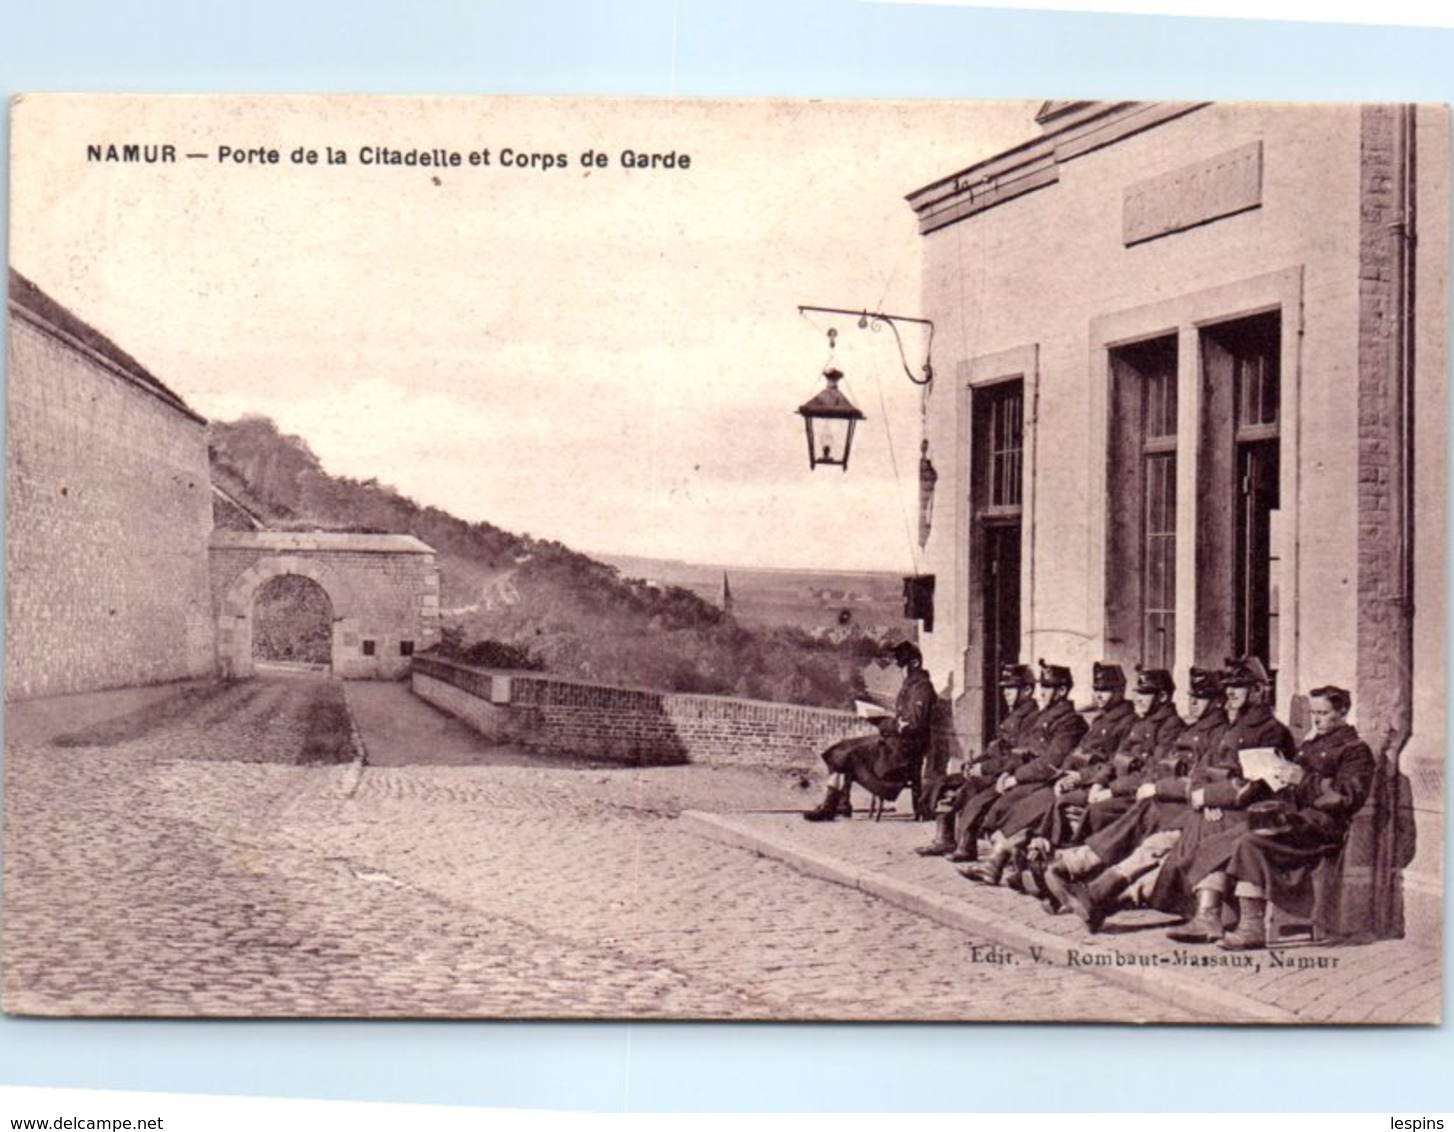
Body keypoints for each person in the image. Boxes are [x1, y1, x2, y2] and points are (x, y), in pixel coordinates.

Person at [1041, 666, 1232, 929]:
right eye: (1192, 697)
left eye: (1202, 698)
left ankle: (1082, 873)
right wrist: (1102, 783)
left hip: (1189, 806)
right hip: (1170, 799)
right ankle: (1082, 875)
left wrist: (1163, 789)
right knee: (1141, 817)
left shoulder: (1213, 732)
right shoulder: (1192, 729)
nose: (1194, 703)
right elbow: (1159, 766)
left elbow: (1201, 779)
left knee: (1145, 824)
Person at [1213, 685, 1376, 950]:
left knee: (1250, 842)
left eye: (1324, 712)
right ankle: (1219, 914)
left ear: (1343, 711)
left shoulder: (1355, 750)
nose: (1317, 719)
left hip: (1320, 827)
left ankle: (1250, 927)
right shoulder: (1313, 743)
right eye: (1314, 712)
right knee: (1227, 834)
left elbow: (1346, 797)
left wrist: (1302, 779)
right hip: (1293, 818)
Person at [955, 659, 1088, 884]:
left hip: (1050, 781)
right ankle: (998, 863)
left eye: (1048, 688)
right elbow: (1024, 752)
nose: (1042, 693)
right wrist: (1009, 773)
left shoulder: (1070, 722)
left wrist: (1016, 777)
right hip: (1032, 778)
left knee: (1015, 804)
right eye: (1042, 687)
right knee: (999, 801)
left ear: (1062, 691)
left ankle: (1000, 865)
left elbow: (1050, 763)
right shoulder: (1044, 717)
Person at [803, 641, 936, 822]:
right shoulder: (912, 686)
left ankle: (831, 805)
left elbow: (912, 726)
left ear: (915, 664)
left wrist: (884, 722)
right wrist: (883, 720)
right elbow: (902, 721)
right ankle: (840, 804)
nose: (900, 671)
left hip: (901, 753)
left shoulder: (922, 688)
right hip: (893, 744)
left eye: (902, 666)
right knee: (842, 748)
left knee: (847, 754)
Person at [914, 662, 1037, 856]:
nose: (1006, 693)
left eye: (1012, 688)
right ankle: (944, 839)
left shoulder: (1032, 718)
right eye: (1004, 688)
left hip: (1006, 774)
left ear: (1028, 690)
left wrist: (984, 769)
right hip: (993, 768)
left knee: (971, 790)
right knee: (944, 783)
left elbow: (1016, 758)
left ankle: (967, 844)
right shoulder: (1013, 715)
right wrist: (974, 763)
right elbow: (994, 748)